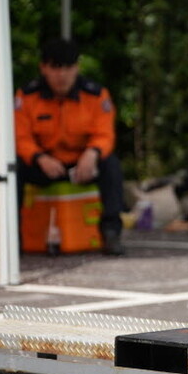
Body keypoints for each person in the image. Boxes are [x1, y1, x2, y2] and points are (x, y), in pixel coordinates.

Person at [14, 38, 126, 255]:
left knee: (111, 165)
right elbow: (20, 138)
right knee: (12, 168)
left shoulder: (95, 95)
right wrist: (39, 157)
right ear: (43, 68)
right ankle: (12, 235)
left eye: (68, 67)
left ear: (77, 67)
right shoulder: (27, 96)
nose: (62, 75)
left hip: (81, 164)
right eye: (55, 68)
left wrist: (93, 152)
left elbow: (105, 134)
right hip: (44, 164)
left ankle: (111, 232)